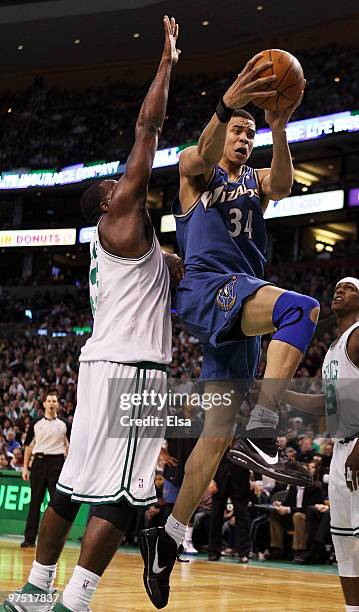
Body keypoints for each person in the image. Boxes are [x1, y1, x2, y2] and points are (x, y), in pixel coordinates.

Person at [3, 16, 181, 612]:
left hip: (103, 367)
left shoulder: (129, 248)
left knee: (70, 489)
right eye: (115, 183)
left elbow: (176, 272)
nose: (122, 180)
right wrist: (165, 65)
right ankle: (75, 601)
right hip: (134, 373)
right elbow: (148, 130)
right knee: (128, 497)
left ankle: (36, 588)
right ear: (108, 202)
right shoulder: (119, 216)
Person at [139, 53, 319, 609]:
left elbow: (284, 186)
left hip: (240, 303)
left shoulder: (254, 180)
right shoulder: (196, 173)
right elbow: (195, 151)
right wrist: (229, 104)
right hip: (209, 288)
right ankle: (264, 427)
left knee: (213, 442)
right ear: (222, 132)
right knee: (302, 310)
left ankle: (166, 537)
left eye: (248, 132)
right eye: (237, 130)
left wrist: (280, 129)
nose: (243, 138)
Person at [282, 277, 359, 610]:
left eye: (350, 288)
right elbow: (326, 403)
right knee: (345, 544)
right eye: (337, 287)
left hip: (357, 445)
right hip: (341, 449)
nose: (339, 291)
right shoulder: (333, 347)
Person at [21, 390, 70, 548]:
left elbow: (72, 447)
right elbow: (28, 446)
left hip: (57, 464)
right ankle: (29, 539)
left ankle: (55, 540)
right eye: (49, 401)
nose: (51, 403)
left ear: (58, 404)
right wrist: (24, 468)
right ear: (44, 404)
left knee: (57, 504)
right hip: (39, 463)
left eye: (54, 401)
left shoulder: (65, 424)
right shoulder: (36, 423)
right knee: (35, 502)